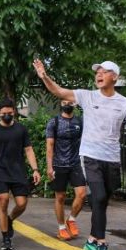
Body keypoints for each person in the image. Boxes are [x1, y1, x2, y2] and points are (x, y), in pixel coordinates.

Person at [34, 58, 126, 250]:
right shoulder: (87, 96)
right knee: (98, 196)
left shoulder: (125, 104)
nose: (99, 74)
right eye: (97, 72)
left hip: (112, 159)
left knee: (103, 200)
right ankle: (101, 244)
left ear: (115, 77)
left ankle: (92, 239)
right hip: (90, 156)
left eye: (104, 71)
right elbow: (59, 92)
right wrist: (44, 76)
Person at [0, 99, 41, 250]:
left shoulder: (21, 129)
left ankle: (9, 219)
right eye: (3, 114)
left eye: (9, 113)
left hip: (18, 171)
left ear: (14, 112)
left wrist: (35, 169)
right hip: (0, 170)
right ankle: (5, 237)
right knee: (3, 200)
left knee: (22, 204)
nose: (7, 116)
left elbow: (28, 150)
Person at [46, 99, 86, 241]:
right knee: (60, 197)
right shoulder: (54, 122)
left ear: (75, 104)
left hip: (75, 164)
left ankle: (72, 219)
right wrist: (49, 167)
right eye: (65, 101)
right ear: (61, 103)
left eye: (71, 101)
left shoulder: (80, 122)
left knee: (81, 194)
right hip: (58, 165)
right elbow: (50, 146)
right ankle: (62, 228)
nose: (67, 104)